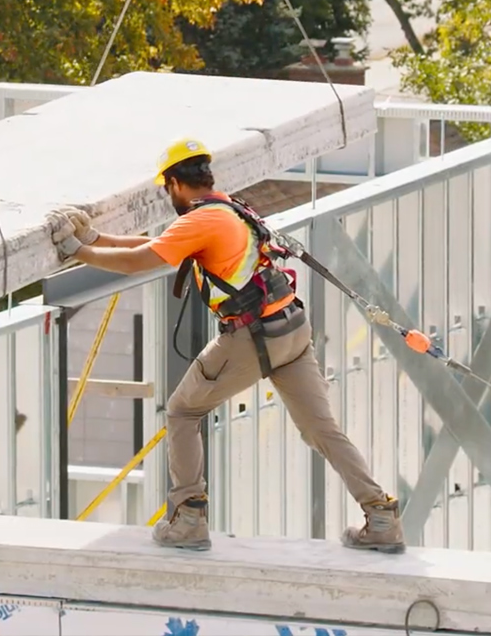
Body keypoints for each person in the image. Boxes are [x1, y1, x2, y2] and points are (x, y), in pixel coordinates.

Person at [46, 138, 404, 553]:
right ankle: (380, 515)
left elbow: (136, 262)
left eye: (167, 190)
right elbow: (151, 247)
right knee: (321, 430)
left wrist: (77, 251)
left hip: (252, 338)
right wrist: (93, 237)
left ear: (175, 183)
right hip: (291, 330)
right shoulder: (229, 208)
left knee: (182, 412)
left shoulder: (202, 220)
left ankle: (188, 518)